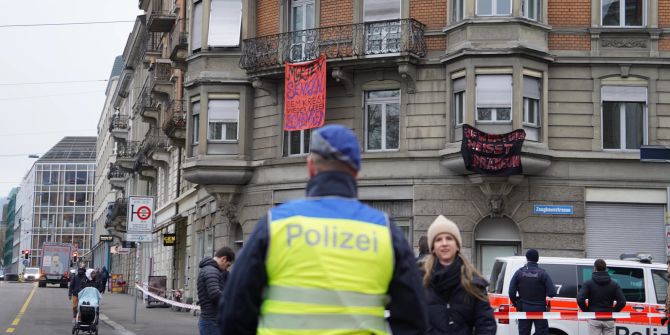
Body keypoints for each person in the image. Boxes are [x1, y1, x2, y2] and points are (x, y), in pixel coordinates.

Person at [218, 124, 428, 335]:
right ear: (356, 172)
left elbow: (234, 311)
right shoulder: (384, 230)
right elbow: (414, 319)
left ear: (310, 167)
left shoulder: (275, 224)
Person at [423, 215, 496, 335]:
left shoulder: (474, 283)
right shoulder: (420, 282)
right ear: (433, 247)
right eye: (438, 239)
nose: (444, 243)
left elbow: (486, 324)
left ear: (457, 245)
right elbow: (411, 321)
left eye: (449, 238)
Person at [508, 249, 557, 335]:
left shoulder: (519, 273)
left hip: (523, 309)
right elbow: (552, 293)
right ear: (537, 259)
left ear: (526, 258)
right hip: (540, 310)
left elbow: (511, 292)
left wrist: (516, 303)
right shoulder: (543, 274)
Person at [577, 259, 626, 335]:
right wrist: (613, 312)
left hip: (594, 317)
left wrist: (587, 312)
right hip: (609, 318)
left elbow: (580, 299)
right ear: (606, 269)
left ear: (595, 268)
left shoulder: (588, 283)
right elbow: (622, 302)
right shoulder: (614, 284)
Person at [197, 246, 235, 335]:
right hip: (212, 321)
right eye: (228, 265)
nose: (227, 268)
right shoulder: (211, 271)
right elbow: (215, 294)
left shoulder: (212, 270)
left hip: (210, 320)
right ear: (223, 259)